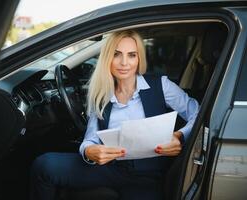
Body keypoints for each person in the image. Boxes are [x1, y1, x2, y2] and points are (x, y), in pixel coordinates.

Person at [30, 30, 199, 200]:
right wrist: (89, 151)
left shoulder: (161, 85)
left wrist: (180, 136)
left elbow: (198, 114)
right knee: (44, 165)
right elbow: (91, 138)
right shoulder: (101, 94)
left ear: (139, 58)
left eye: (132, 55)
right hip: (110, 168)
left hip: (147, 175)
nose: (124, 63)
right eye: (117, 55)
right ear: (107, 59)